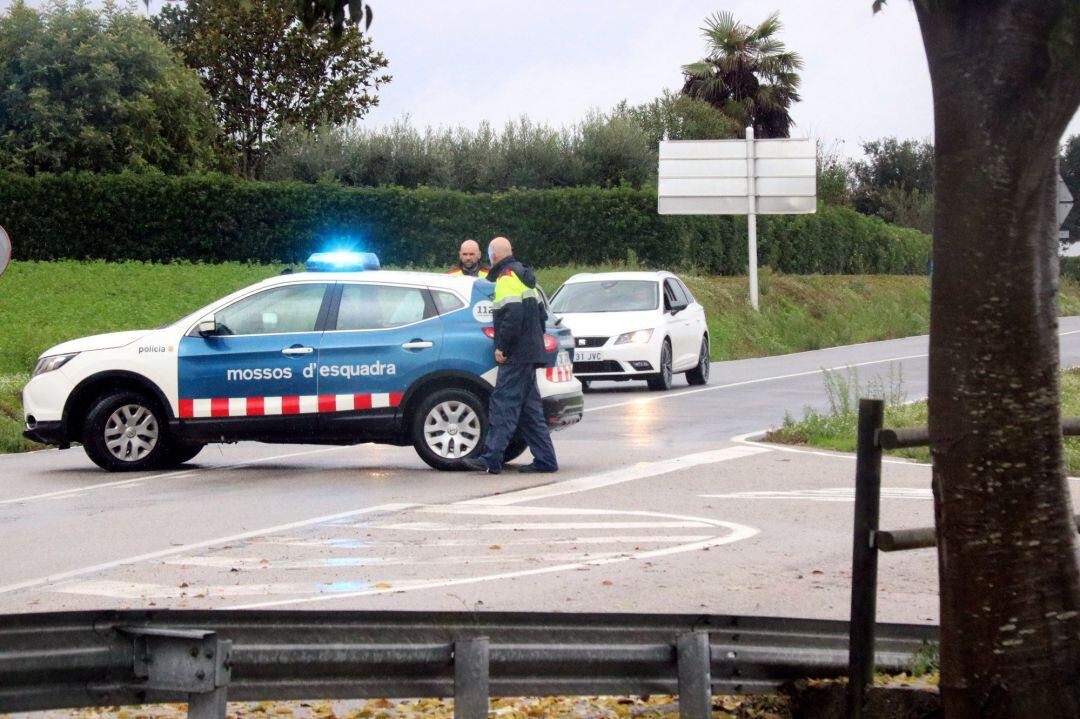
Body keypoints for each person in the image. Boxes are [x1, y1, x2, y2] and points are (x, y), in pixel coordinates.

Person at [463, 236, 558, 475]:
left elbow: (511, 318)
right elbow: (541, 316)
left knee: (503, 405)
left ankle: (491, 459)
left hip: (516, 356)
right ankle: (546, 460)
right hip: (530, 352)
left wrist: (502, 348)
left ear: (493, 254)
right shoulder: (526, 278)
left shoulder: (506, 279)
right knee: (530, 410)